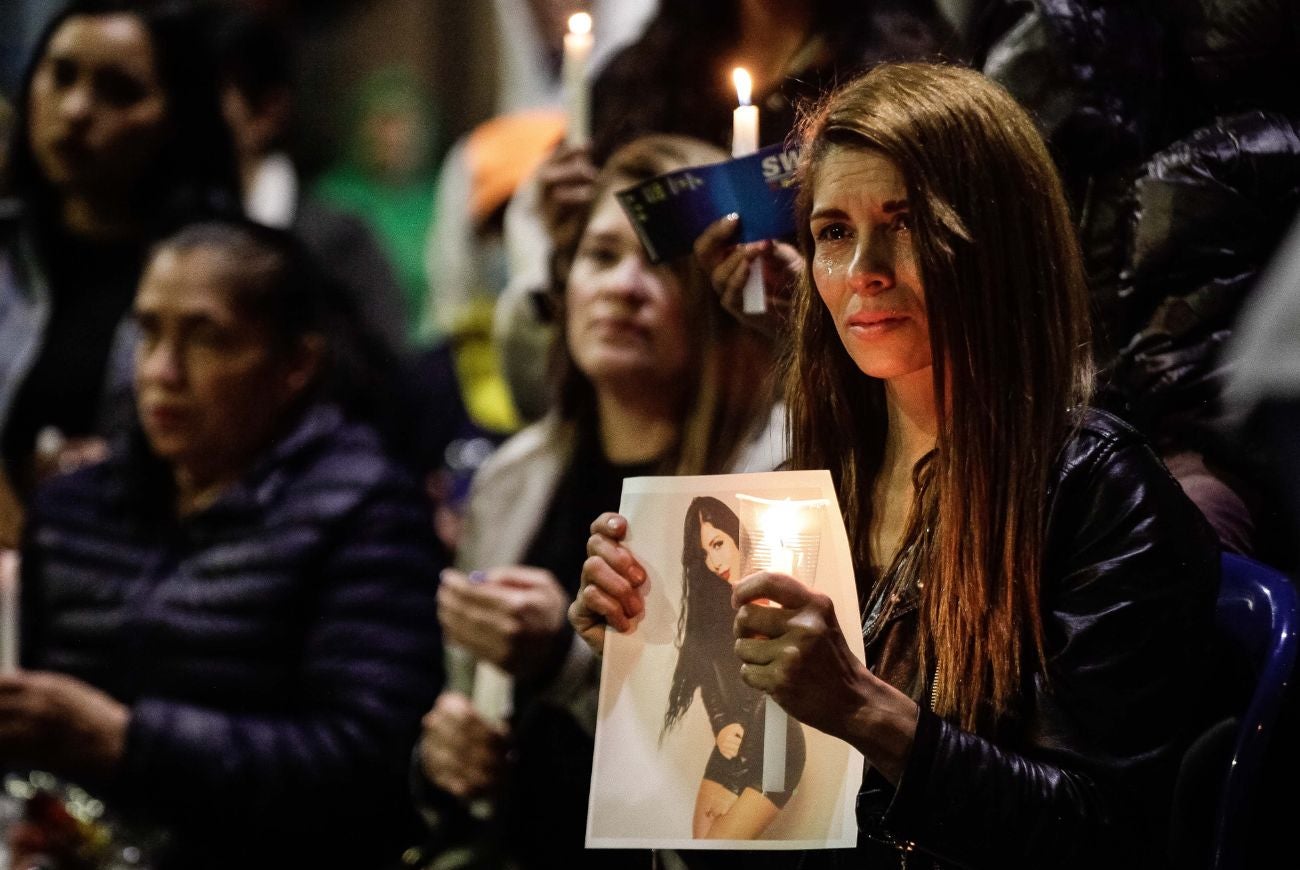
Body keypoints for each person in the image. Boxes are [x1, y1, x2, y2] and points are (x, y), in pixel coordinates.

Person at [573, 63, 1219, 869]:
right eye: (834, 232)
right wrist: (650, 658)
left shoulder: (1098, 492)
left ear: (998, 240)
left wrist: (867, 713)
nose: (863, 271)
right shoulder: (798, 490)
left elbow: (1102, 832)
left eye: (905, 221)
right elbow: (747, 832)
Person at [3, 219, 445, 869]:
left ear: (295, 364)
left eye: (205, 339)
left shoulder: (364, 511)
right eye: (148, 331)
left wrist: (129, 742)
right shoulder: (74, 508)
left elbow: (367, 763)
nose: (160, 371)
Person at [414, 134, 784, 869]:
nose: (622, 286)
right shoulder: (513, 477)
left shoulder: (763, 483)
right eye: (600, 255)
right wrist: (444, 761)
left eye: (662, 266)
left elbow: (754, 787)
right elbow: (473, 713)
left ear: (719, 291)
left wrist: (566, 660)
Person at [0, 0, 239, 543]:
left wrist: (121, 473)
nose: (77, 109)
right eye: (60, 76)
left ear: (177, 113)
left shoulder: (227, 280)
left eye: (119, 90)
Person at [666, 496, 805, 839]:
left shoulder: (779, 589)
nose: (713, 562)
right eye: (704, 554)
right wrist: (720, 724)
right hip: (732, 741)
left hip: (774, 739)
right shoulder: (714, 603)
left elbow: (780, 682)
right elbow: (705, 672)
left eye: (718, 544)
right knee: (700, 849)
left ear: (735, 534)